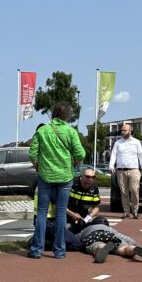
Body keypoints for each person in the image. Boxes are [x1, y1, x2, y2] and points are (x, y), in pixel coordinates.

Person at [28, 103, 85, 259]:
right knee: (61, 214)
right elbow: (80, 153)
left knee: (41, 213)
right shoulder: (70, 132)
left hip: (45, 176)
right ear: (67, 116)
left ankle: (36, 249)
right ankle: (59, 251)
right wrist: (74, 164)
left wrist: (38, 166)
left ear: (53, 115)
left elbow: (32, 153)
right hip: (65, 177)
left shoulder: (42, 130)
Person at [78, 220, 142, 263]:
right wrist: (132, 243)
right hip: (110, 235)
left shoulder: (88, 228)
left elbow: (77, 237)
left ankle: (102, 248)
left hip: (94, 235)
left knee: (96, 246)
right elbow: (123, 237)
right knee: (123, 249)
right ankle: (133, 250)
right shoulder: (110, 229)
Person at [109, 122, 142, 219]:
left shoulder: (136, 142)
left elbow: (141, 156)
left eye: (125, 130)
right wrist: (111, 166)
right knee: (124, 192)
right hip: (120, 171)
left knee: (134, 190)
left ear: (130, 131)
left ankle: (135, 210)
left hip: (134, 170)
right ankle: (126, 212)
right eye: (122, 130)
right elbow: (113, 155)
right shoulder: (118, 143)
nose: (122, 132)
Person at [66, 168, 102, 232]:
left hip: (82, 219)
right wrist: (72, 214)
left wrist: (88, 218)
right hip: (66, 215)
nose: (87, 185)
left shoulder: (94, 188)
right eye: (87, 177)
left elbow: (96, 207)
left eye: (93, 177)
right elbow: (58, 204)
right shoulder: (71, 183)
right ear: (81, 176)